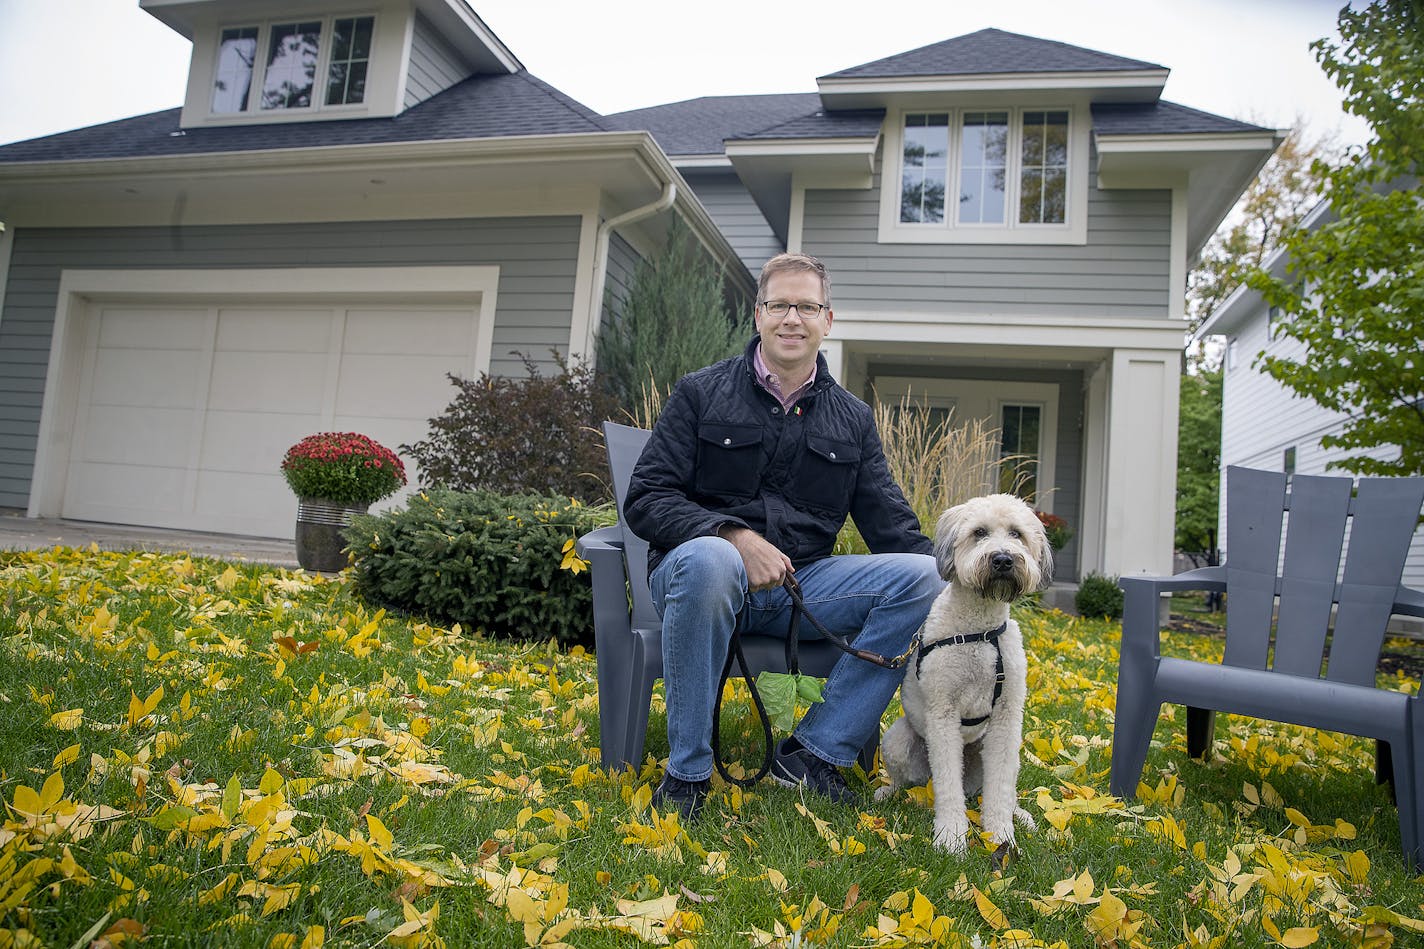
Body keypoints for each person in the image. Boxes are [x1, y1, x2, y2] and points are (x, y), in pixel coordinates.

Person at [624, 252, 943, 821]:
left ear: (828, 319)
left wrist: (966, 587)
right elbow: (647, 498)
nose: (792, 318)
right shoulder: (701, 393)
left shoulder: (852, 420)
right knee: (710, 560)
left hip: (799, 589)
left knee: (920, 578)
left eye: (807, 306)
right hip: (698, 578)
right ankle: (688, 773)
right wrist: (729, 534)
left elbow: (893, 527)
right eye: (779, 305)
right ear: (758, 315)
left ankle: (814, 754)